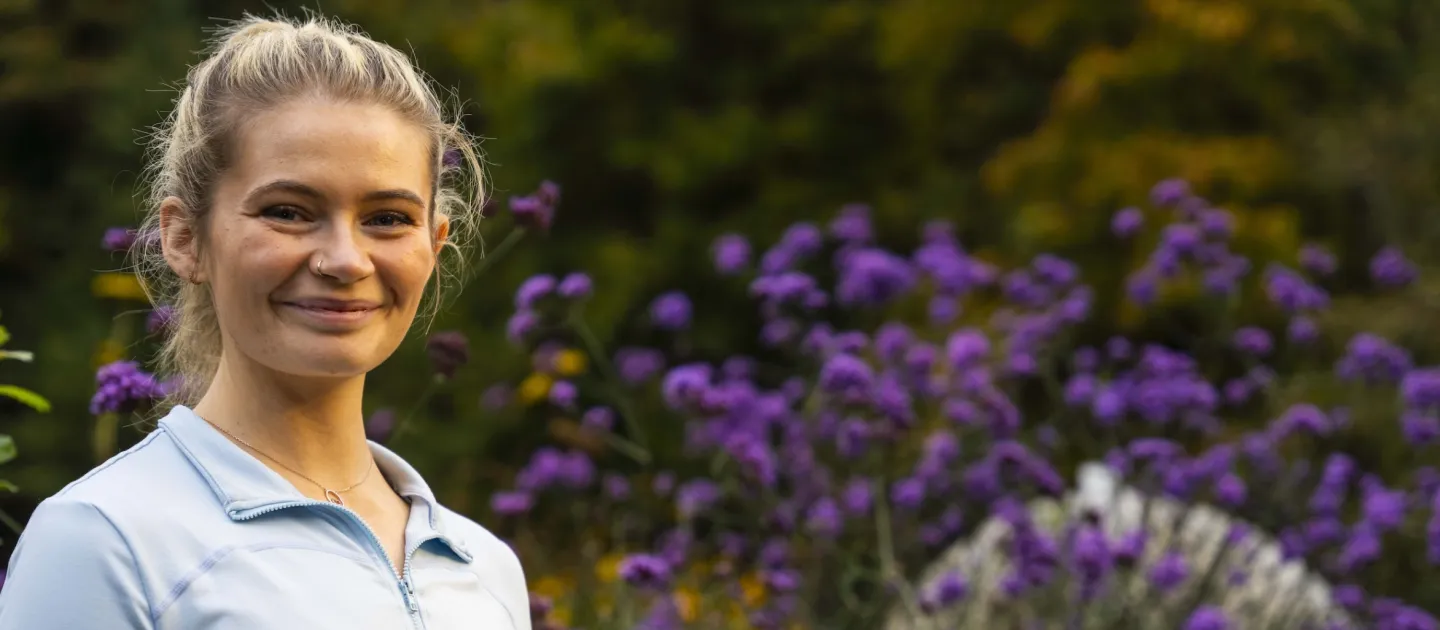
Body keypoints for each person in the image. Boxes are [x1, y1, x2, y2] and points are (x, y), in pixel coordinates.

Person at [0, 13, 530, 630]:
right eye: (289, 211)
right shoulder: (105, 540)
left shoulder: (484, 571)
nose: (345, 260)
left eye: (387, 218)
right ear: (184, 237)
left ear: (434, 246)